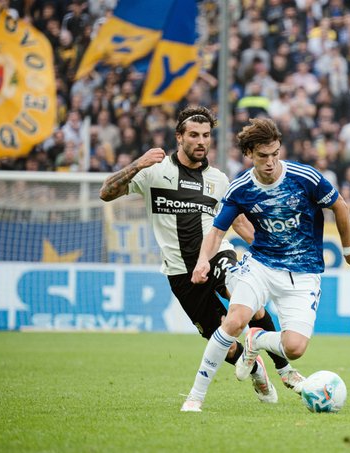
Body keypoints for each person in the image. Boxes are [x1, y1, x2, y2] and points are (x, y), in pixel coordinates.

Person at [98, 107, 304, 412]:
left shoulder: (218, 180)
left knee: (249, 304)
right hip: (180, 273)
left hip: (218, 256)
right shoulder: (154, 172)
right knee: (224, 342)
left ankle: (285, 370)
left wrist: (274, 249)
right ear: (179, 137)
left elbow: (240, 223)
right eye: (194, 135)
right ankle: (257, 368)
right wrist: (139, 163)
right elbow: (106, 192)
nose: (201, 141)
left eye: (206, 135)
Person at [182, 117, 350, 412]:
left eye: (274, 154)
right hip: (261, 265)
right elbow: (217, 231)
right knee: (233, 321)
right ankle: (195, 396)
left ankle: (258, 339)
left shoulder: (305, 177)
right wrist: (203, 261)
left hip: (304, 273)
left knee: (295, 349)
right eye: (262, 156)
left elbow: (340, 206)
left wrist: (348, 250)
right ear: (250, 155)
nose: (270, 162)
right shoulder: (241, 188)